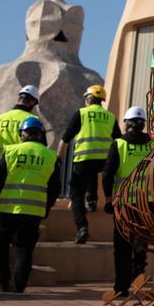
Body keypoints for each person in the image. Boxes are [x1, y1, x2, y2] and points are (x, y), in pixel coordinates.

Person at [0, 116, 59, 293]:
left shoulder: (9, 152)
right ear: (40, 135)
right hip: (32, 211)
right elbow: (54, 189)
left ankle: (1, 282)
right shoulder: (51, 156)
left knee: (0, 247)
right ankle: (18, 288)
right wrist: (45, 209)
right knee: (25, 251)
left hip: (5, 210)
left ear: (21, 135)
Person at [102, 105, 154, 298]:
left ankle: (121, 287)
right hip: (147, 205)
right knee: (141, 243)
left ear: (127, 123)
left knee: (122, 247)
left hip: (124, 205)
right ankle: (138, 274)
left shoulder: (119, 144)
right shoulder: (153, 145)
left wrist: (109, 199)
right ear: (143, 124)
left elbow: (107, 175)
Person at [57, 85, 120, 244]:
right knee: (92, 172)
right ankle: (92, 200)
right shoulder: (110, 116)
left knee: (76, 194)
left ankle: (82, 227)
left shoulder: (81, 113)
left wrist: (58, 156)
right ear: (101, 101)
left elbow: (65, 138)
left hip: (83, 159)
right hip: (104, 160)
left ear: (88, 99)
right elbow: (118, 141)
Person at [0, 85, 41, 166]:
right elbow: (36, 149)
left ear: (18, 99)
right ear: (32, 102)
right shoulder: (32, 120)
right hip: (18, 172)